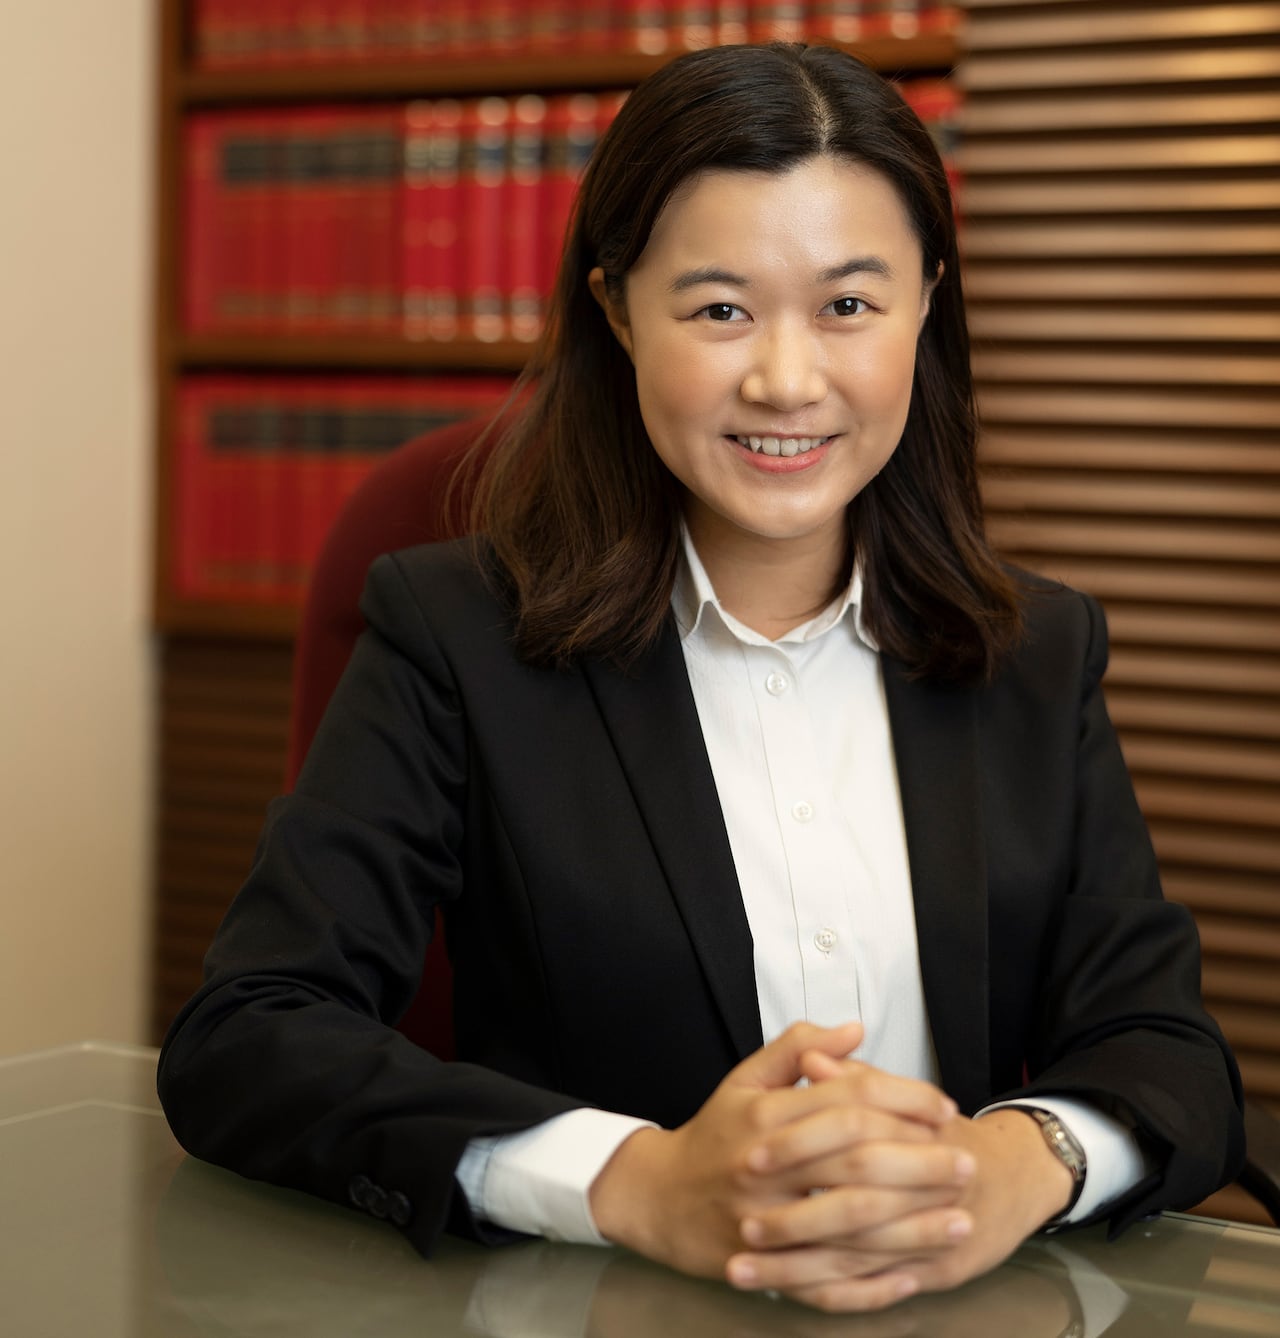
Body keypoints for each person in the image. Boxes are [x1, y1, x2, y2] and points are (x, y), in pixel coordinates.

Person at [157, 42, 1244, 1314]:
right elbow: (247, 1038)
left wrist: (1010, 1164)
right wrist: (635, 1179)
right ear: (616, 311)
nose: (786, 381)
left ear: (925, 307)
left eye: (848, 305)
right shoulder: (453, 636)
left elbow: (1170, 1053)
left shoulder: (1033, 655)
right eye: (719, 308)